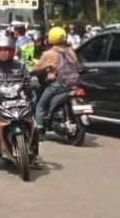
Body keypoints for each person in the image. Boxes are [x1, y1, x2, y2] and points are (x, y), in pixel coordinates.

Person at [0, 35, 39, 171]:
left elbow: (30, 76)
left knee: (35, 126)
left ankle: (34, 157)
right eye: (0, 50)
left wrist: (33, 83)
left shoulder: (21, 64)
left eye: (6, 50)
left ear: (12, 51)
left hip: (19, 100)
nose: (3, 53)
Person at [31, 27, 83, 157]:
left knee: (40, 106)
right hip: (74, 83)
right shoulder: (70, 50)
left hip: (58, 85)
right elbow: (77, 64)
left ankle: (40, 132)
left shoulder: (49, 53)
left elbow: (38, 67)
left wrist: (31, 70)